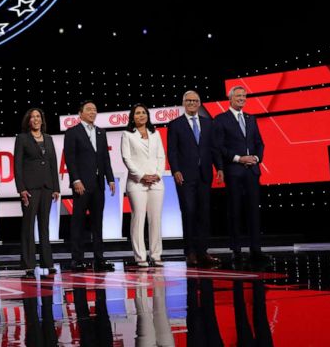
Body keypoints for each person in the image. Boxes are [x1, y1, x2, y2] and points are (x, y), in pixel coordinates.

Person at [212, 86, 271, 267]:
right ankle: (237, 250)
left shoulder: (251, 118)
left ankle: (256, 250)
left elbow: (259, 143)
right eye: (238, 96)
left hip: (252, 171)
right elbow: (219, 146)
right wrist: (238, 158)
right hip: (234, 171)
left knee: (254, 211)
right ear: (230, 99)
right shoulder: (221, 119)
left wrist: (256, 158)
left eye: (244, 96)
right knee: (235, 211)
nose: (242, 98)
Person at [167, 91, 221, 267]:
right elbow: (172, 151)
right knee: (189, 212)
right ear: (183, 103)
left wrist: (219, 167)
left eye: (195, 100)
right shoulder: (175, 124)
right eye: (188, 100)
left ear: (199, 103)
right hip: (185, 176)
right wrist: (175, 170)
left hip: (205, 175)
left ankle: (203, 251)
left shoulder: (208, 123)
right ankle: (190, 252)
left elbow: (214, 148)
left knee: (204, 214)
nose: (191, 103)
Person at [63, 101, 117, 272]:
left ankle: (99, 260)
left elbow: (105, 158)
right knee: (78, 222)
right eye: (89, 109)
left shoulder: (101, 132)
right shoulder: (73, 132)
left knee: (98, 223)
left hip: (98, 184)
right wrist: (75, 180)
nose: (93, 112)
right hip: (81, 185)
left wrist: (110, 178)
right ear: (80, 113)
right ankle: (77, 259)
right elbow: (70, 159)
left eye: (95, 109)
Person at [13, 108, 60, 278]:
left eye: (38, 116)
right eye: (32, 117)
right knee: (28, 226)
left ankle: (48, 262)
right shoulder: (22, 138)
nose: (35, 119)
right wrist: (21, 189)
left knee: (45, 226)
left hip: (47, 187)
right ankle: (29, 264)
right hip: (30, 188)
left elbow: (53, 164)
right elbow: (17, 166)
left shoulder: (48, 138)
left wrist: (56, 188)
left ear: (42, 120)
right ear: (28, 120)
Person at [121, 103, 166, 267]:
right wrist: (141, 176)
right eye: (137, 113)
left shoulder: (156, 134)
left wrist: (158, 174)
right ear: (132, 117)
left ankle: (156, 255)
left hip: (156, 181)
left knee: (155, 219)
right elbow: (126, 158)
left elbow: (161, 156)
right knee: (138, 218)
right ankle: (140, 257)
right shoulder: (127, 135)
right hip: (136, 183)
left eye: (144, 113)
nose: (141, 115)